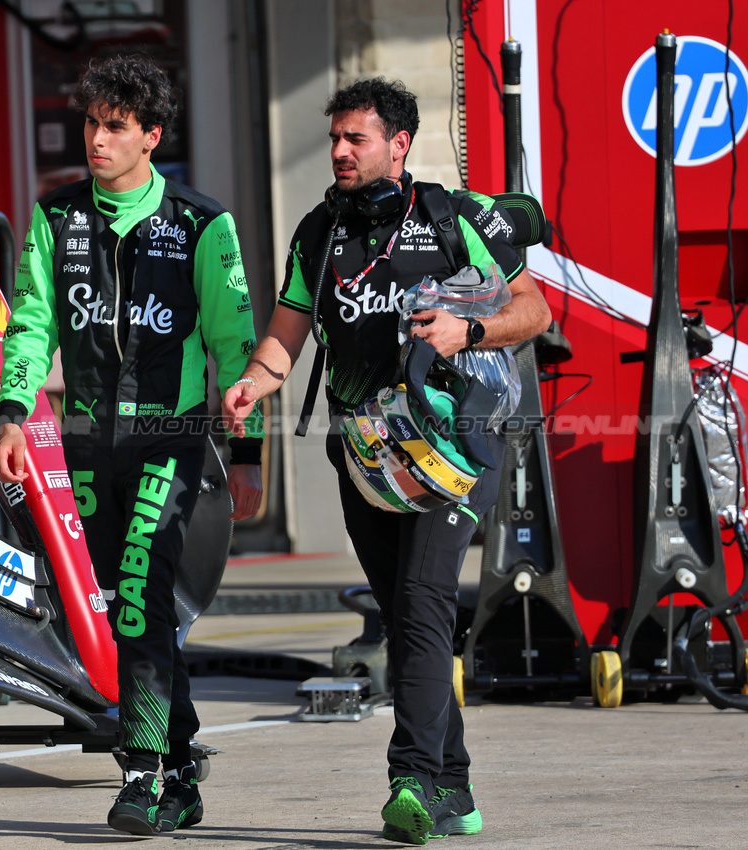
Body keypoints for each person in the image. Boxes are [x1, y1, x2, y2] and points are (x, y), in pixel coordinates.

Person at [222, 78, 551, 846]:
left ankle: (410, 780)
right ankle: (455, 788)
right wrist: (250, 384)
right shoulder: (317, 231)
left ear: (397, 144)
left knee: (423, 606)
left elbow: (533, 311)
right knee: (407, 621)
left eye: (355, 138)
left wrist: (465, 334)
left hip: (454, 447)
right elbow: (285, 337)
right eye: (335, 137)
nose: (338, 151)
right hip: (364, 453)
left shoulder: (452, 217)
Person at [0, 54, 263, 836]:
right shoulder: (57, 217)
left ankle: (140, 771)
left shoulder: (200, 223)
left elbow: (234, 349)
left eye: (114, 127)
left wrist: (243, 461)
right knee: (123, 607)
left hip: (168, 438)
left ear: (151, 136)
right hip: (84, 439)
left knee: (141, 595)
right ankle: (179, 767)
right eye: (91, 123)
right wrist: (14, 415)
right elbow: (32, 321)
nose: (96, 139)